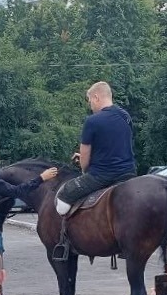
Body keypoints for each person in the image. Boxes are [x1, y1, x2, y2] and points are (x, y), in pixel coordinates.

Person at [55, 81, 137, 215]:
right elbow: (115, 148)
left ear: (96, 97)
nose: (90, 105)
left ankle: (65, 235)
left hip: (102, 176)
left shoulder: (92, 121)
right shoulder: (126, 116)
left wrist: (84, 169)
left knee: (63, 198)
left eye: (90, 101)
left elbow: (85, 156)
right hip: (128, 173)